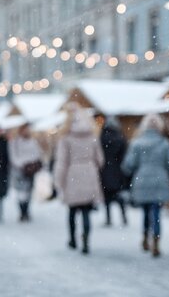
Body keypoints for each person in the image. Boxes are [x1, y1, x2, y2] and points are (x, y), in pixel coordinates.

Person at [122, 114, 169, 257]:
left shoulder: (137, 143)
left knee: (146, 212)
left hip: (142, 181)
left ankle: (145, 237)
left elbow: (128, 165)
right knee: (156, 211)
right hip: (160, 181)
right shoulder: (164, 144)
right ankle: (156, 240)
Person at [53, 105, 103, 254]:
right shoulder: (92, 136)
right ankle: (86, 240)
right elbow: (100, 159)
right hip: (90, 173)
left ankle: (73, 240)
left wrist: (59, 181)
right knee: (87, 211)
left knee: (72, 211)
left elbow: (61, 162)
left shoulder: (66, 137)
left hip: (72, 175)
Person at [8, 123, 43, 222]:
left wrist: (32, 164)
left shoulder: (32, 141)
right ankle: (22, 211)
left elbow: (37, 153)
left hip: (30, 171)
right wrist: (23, 165)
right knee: (21, 193)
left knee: (28, 192)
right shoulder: (15, 142)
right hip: (20, 171)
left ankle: (26, 211)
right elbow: (13, 157)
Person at [99, 116, 129, 226]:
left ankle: (108, 218)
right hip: (118, 171)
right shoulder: (120, 137)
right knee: (119, 196)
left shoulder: (102, 137)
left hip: (105, 170)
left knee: (107, 197)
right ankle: (124, 217)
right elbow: (125, 155)